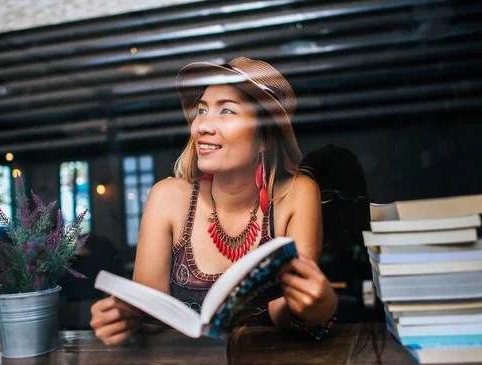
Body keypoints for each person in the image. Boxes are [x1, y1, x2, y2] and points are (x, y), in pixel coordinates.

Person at [90, 57, 338, 345]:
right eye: (202, 111)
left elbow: (289, 311)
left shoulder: (296, 193)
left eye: (226, 111)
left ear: (263, 138)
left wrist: (318, 306)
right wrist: (123, 317)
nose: (202, 127)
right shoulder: (166, 197)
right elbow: (150, 313)